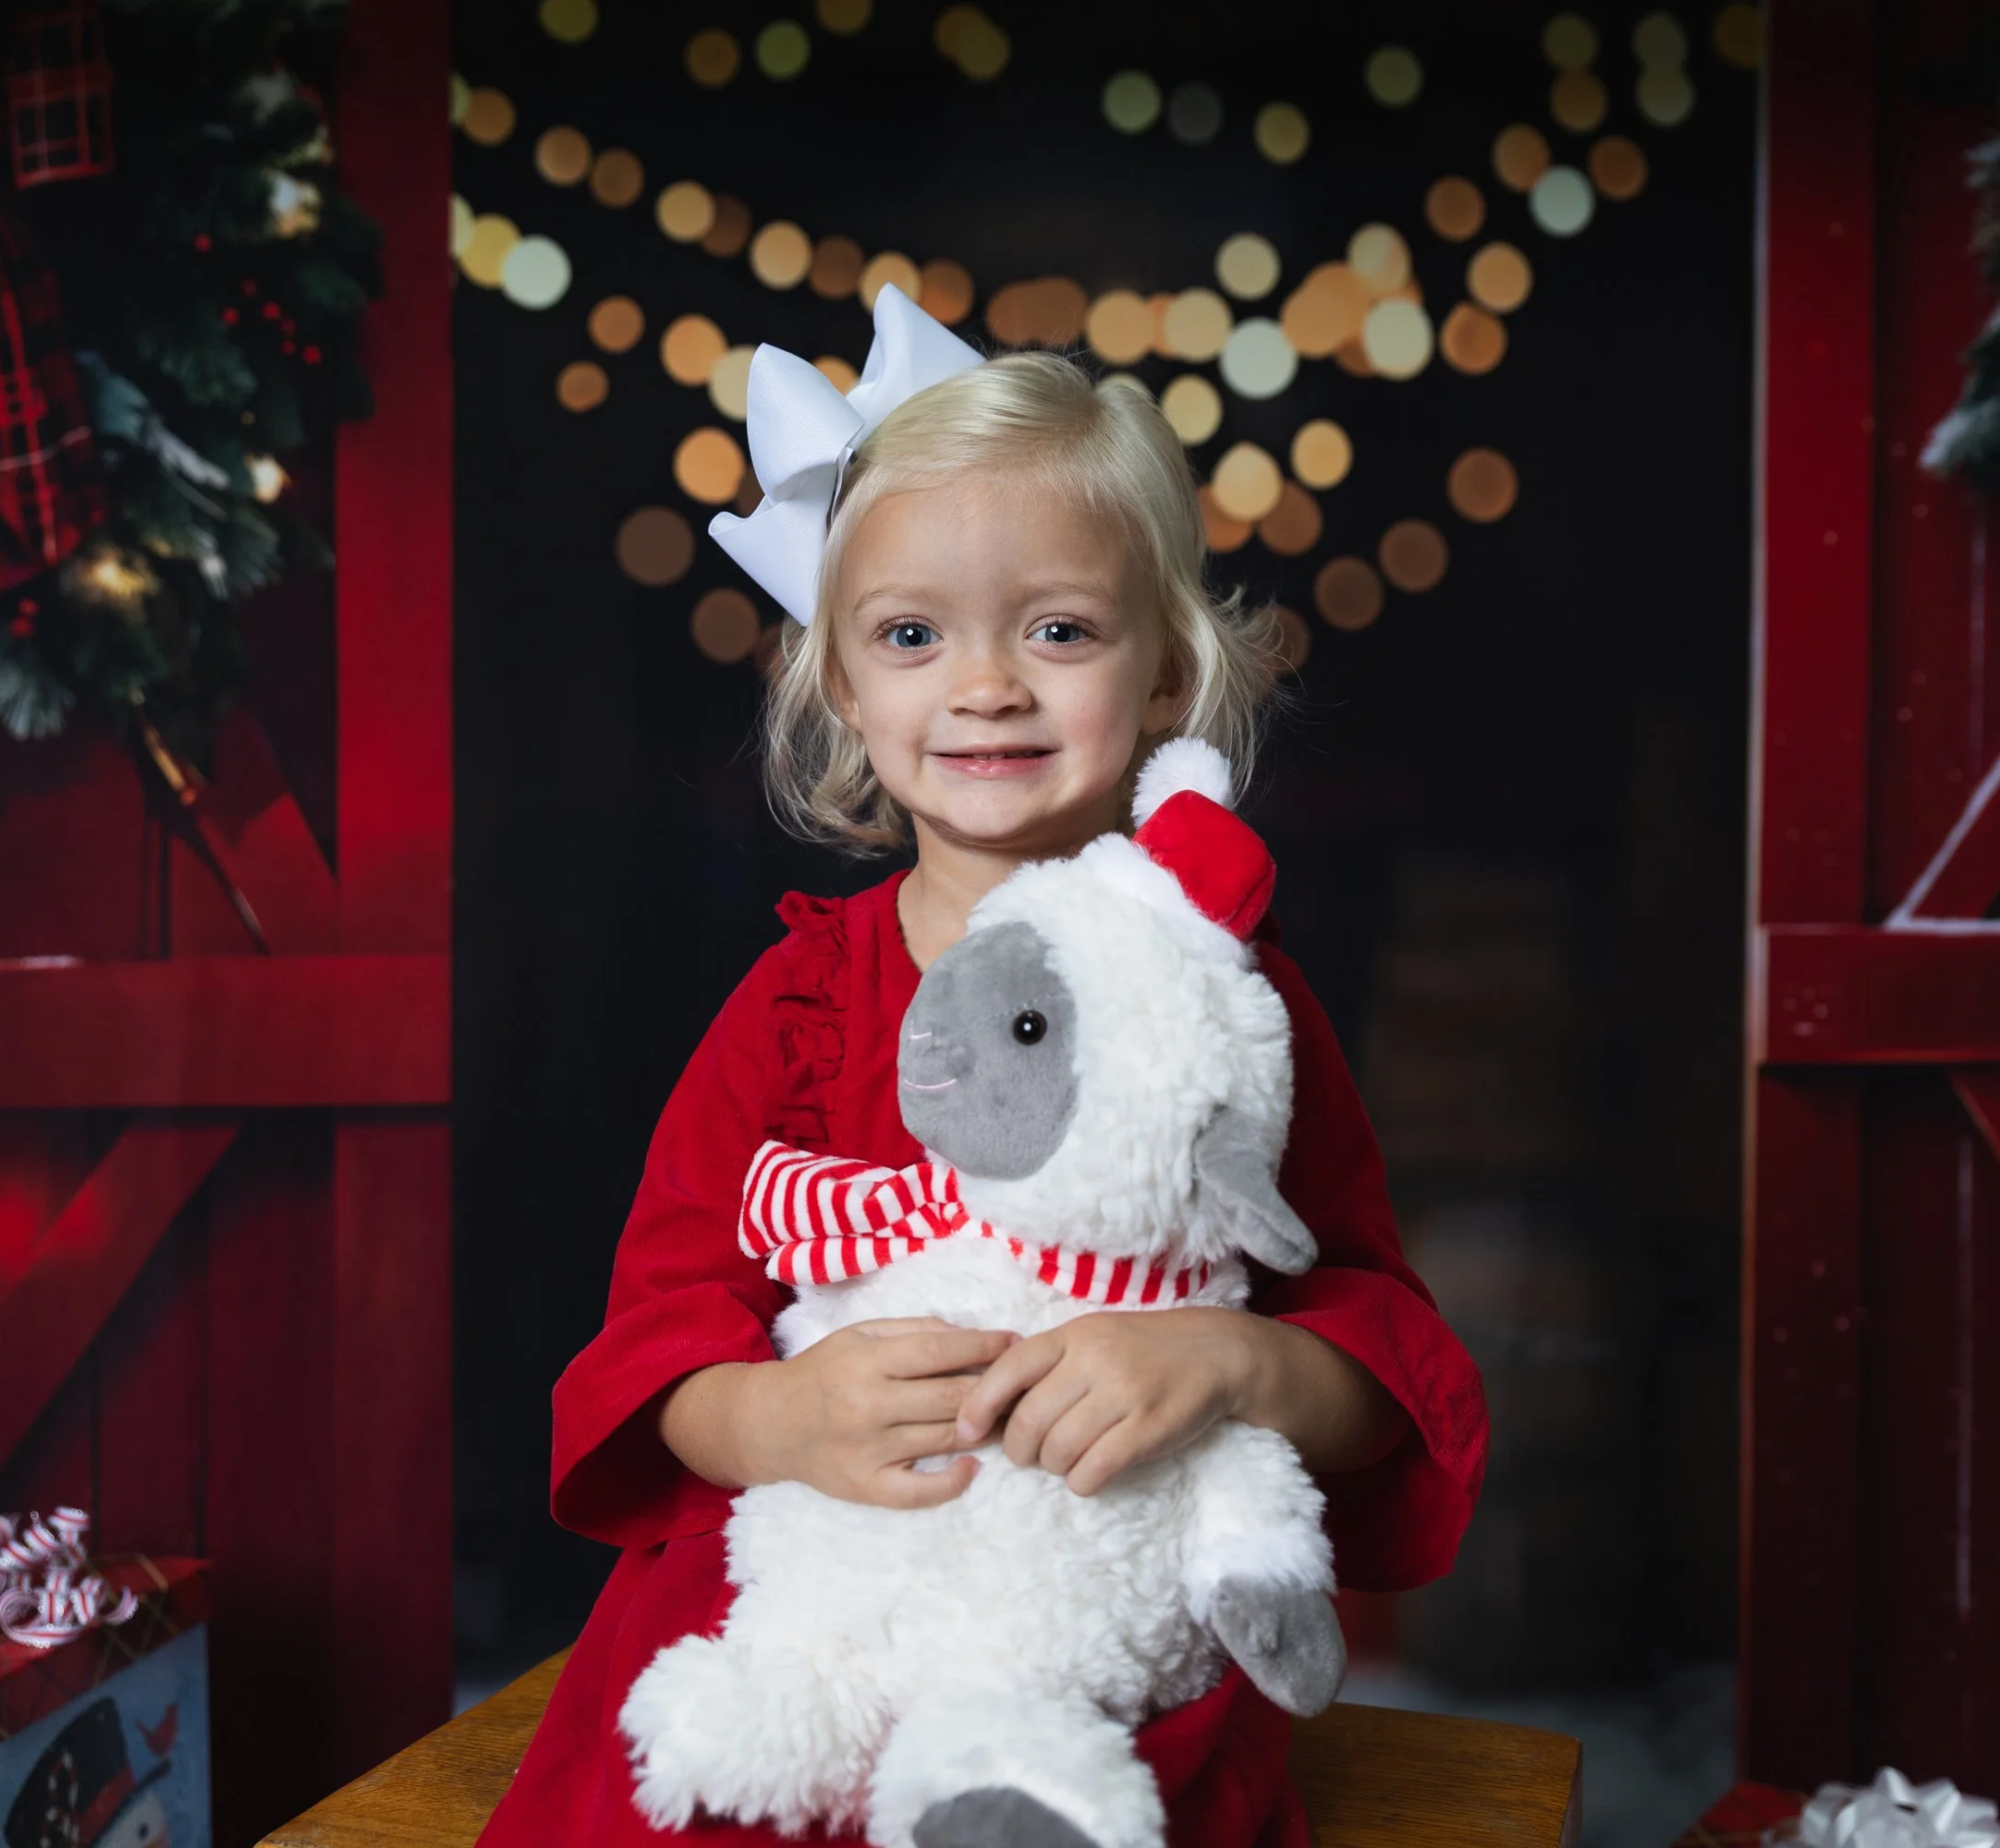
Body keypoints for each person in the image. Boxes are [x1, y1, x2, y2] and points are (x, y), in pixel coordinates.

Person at [479, 289, 1488, 1848]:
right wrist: (775, 1419)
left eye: (1061, 629)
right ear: (842, 684)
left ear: (1165, 676)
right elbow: (654, 1341)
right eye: (910, 634)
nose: (988, 684)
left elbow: (1379, 1355)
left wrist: (1234, 1370)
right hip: (814, 1615)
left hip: (1092, 1645)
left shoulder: (1228, 993)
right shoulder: (796, 1006)